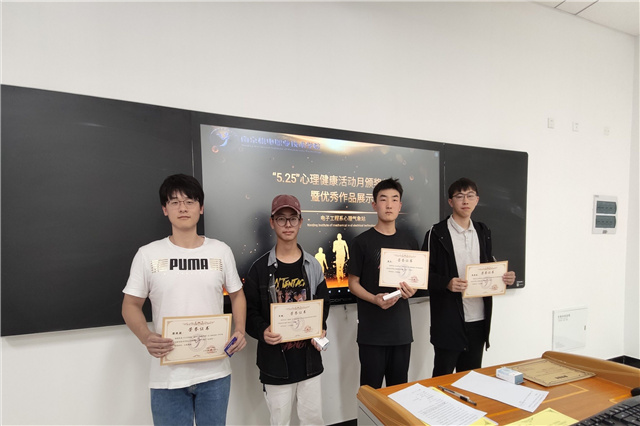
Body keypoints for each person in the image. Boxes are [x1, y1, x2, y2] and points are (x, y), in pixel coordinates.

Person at [122, 174, 247, 425]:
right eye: (175, 202)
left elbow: (237, 294)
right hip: (167, 376)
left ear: (201, 208)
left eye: (190, 201)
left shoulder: (220, 251)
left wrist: (240, 330)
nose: (183, 208)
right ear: (164, 209)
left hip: (215, 372)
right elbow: (130, 305)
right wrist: (146, 337)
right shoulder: (148, 255)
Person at [245, 194, 330, 426]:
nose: (288, 224)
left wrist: (320, 327)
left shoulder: (313, 265)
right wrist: (263, 331)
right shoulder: (259, 269)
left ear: (300, 222)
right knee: (280, 421)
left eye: (293, 218)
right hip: (275, 365)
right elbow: (249, 312)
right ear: (272, 222)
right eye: (281, 219)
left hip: (309, 361)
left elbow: (323, 304)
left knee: (313, 420)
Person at [422, 177, 516, 377]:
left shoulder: (483, 231)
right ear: (450, 201)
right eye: (459, 196)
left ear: (477, 200)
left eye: (470, 196)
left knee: (472, 379)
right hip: (448, 320)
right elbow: (422, 275)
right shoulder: (436, 233)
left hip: (479, 318)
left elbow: (490, 265)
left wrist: (504, 278)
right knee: (442, 379)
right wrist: (446, 283)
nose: (465, 201)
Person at [348, 178, 418, 389]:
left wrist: (411, 290)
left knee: (399, 392)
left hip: (401, 331)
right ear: (374, 205)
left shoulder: (410, 241)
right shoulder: (361, 242)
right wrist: (374, 299)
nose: (389, 205)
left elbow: (416, 281)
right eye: (383, 199)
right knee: (371, 393)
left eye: (394, 199)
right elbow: (353, 284)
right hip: (372, 332)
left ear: (400, 205)